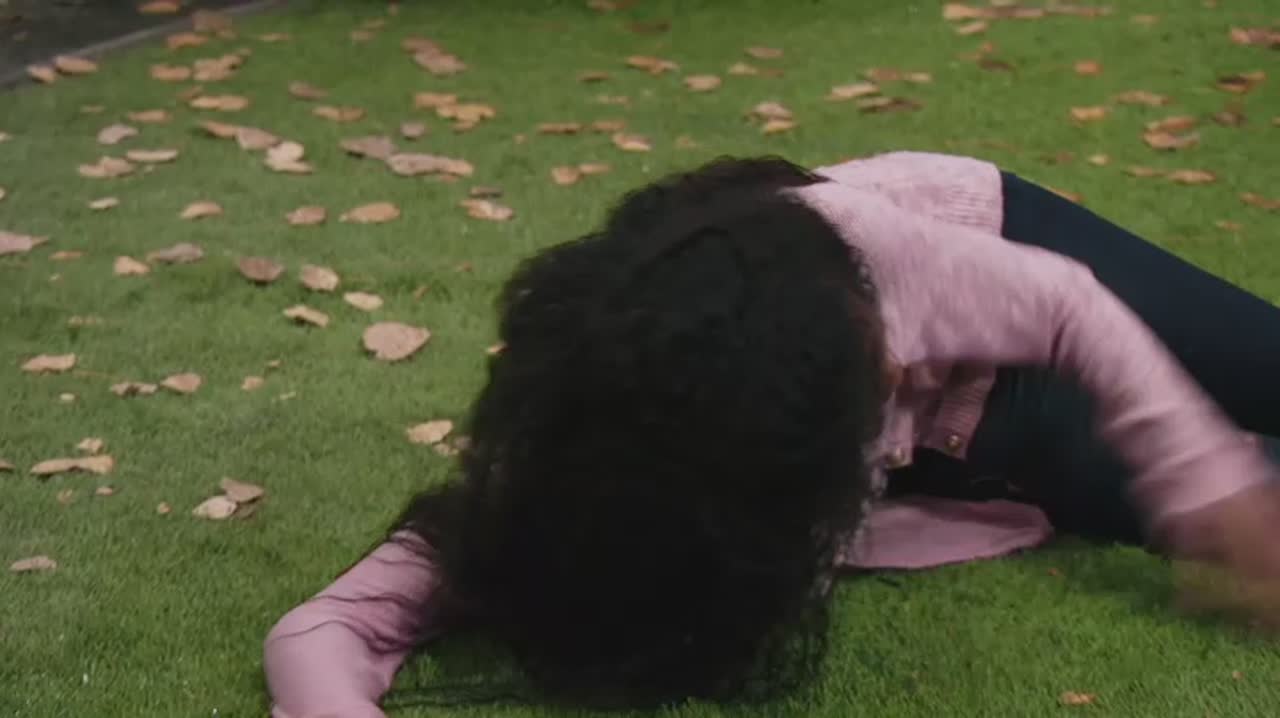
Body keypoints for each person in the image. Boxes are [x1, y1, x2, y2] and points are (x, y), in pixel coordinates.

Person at [263, 152, 1280, 718]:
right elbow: (319, 633)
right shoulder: (583, 484)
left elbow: (1067, 308)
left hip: (1005, 253)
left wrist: (1203, 481)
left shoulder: (874, 248)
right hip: (977, 422)